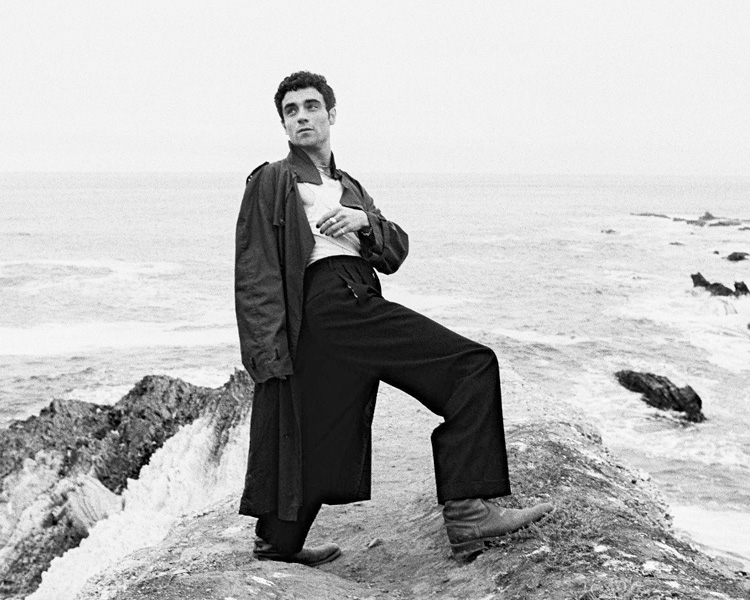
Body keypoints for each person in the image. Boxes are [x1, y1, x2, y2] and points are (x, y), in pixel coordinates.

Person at [235, 71, 553, 566]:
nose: (302, 117)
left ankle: (277, 541)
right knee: (470, 365)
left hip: (355, 293)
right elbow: (255, 267)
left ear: (331, 114)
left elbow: (395, 251)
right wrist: (264, 352)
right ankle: (468, 512)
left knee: (322, 426)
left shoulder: (349, 187)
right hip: (328, 302)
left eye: (311, 106)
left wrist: (365, 224)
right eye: (291, 111)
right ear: (283, 124)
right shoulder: (274, 179)